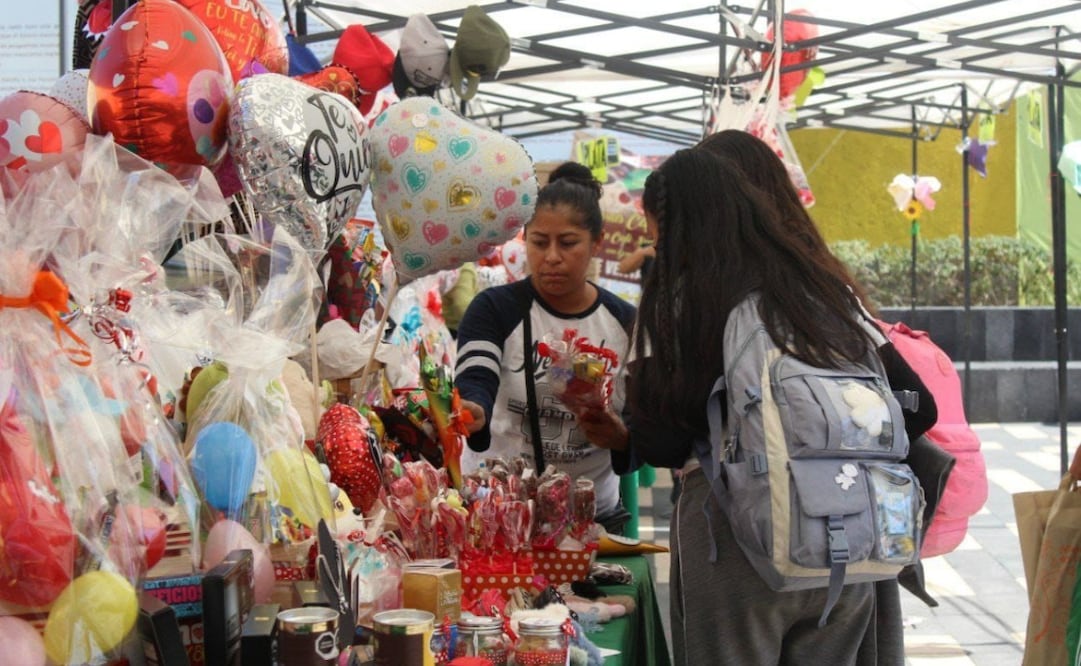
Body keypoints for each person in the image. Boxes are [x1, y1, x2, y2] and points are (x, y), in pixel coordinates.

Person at [626, 141, 936, 665]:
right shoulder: (821, 291)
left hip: (733, 538)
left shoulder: (682, 302)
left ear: (674, 225)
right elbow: (918, 408)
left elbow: (659, 443)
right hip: (842, 540)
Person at [454, 162, 638, 534]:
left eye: (568, 243)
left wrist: (620, 435)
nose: (552, 256)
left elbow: (643, 424)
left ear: (596, 243)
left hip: (591, 523)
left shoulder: (626, 324)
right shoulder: (494, 309)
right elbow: (477, 373)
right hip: (500, 517)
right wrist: (474, 407)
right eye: (539, 242)